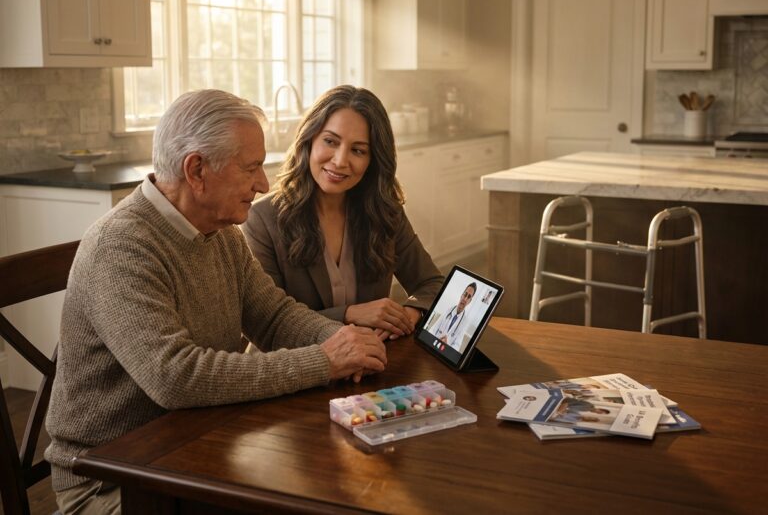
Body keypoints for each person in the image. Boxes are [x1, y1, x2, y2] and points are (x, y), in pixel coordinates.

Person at [44, 89, 387, 515]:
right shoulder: (120, 246)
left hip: (195, 444)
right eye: (251, 168)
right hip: (113, 481)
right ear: (197, 170)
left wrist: (344, 340)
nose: (262, 184)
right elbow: (175, 377)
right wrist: (323, 361)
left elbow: (274, 316)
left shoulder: (220, 232)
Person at [243, 85, 443, 340]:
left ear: (373, 160)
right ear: (309, 140)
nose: (339, 160)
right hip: (295, 369)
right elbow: (267, 321)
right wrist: (349, 314)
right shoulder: (261, 219)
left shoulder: (385, 211)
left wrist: (409, 315)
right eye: (330, 141)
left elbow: (432, 285)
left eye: (358, 150)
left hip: (371, 362)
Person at [432, 282, 476, 348]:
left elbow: (457, 346)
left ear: (470, 301)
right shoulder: (448, 309)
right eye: (465, 294)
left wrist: (447, 345)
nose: (465, 299)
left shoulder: (465, 322)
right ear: (461, 295)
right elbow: (433, 330)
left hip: (445, 352)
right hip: (433, 344)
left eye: (469, 297)